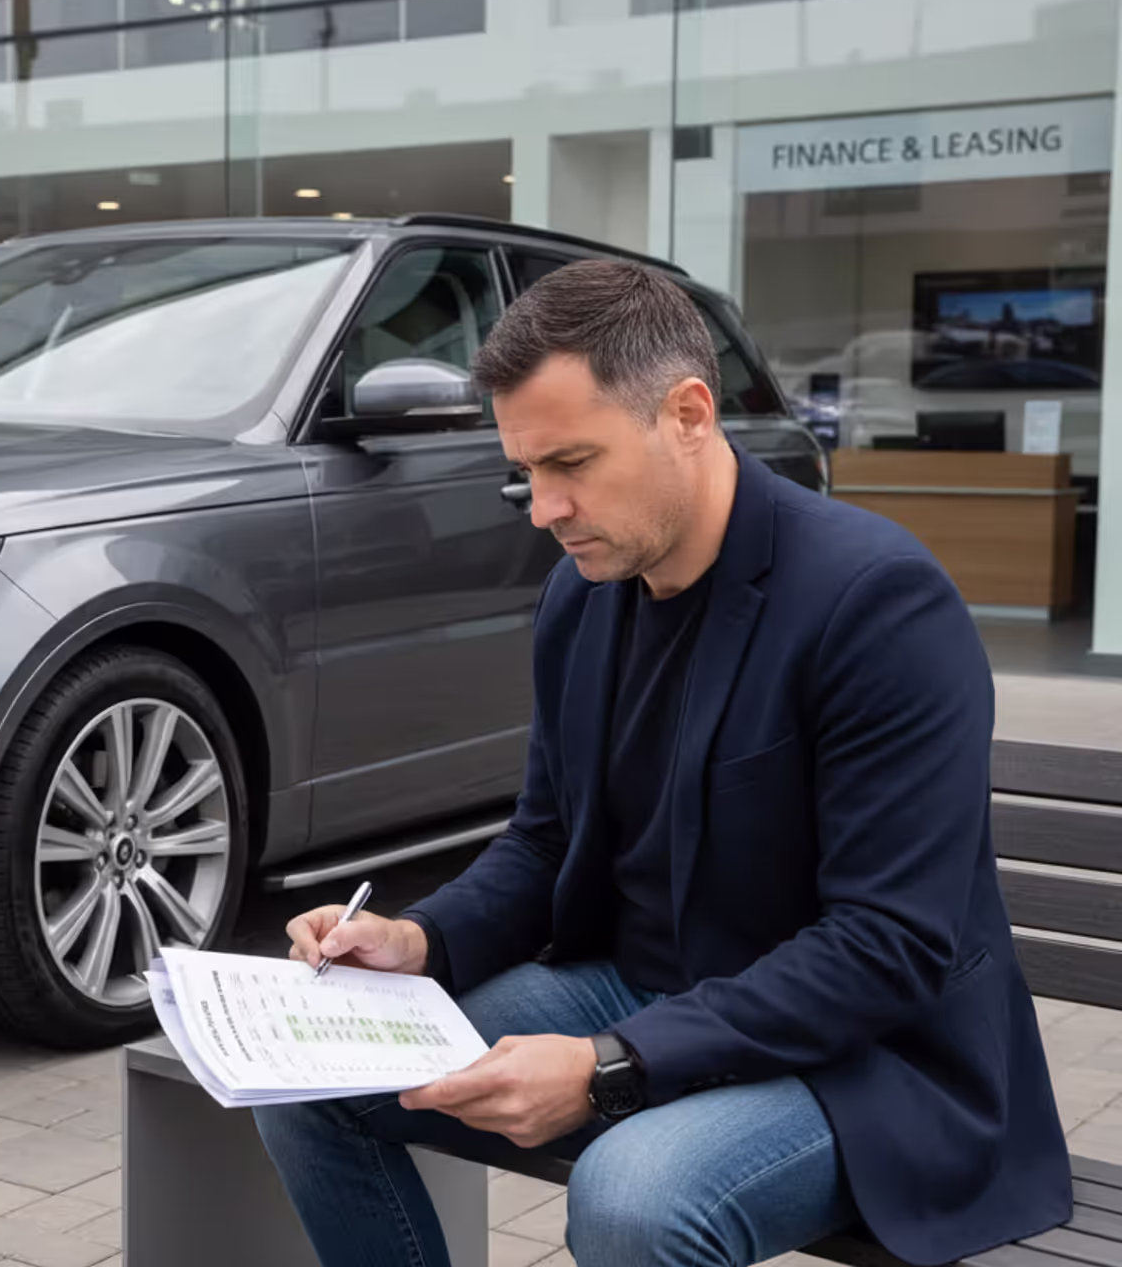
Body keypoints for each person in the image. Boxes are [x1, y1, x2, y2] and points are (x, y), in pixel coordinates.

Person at [253, 259, 1071, 1267]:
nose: (544, 507)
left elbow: (887, 945)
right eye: (526, 472)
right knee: (310, 1074)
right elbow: (545, 844)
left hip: (871, 1057)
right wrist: (415, 937)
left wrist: (610, 1063)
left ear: (687, 412)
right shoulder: (582, 597)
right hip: (645, 989)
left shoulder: (878, 602)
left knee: (636, 1195)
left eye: (573, 463)